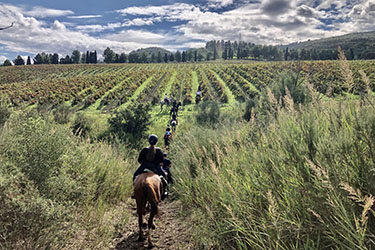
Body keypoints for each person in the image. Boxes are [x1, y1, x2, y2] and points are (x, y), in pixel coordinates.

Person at [132, 134, 168, 199]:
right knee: (164, 176)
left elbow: (139, 160)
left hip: (144, 166)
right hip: (156, 167)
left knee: (135, 175)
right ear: (156, 142)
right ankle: (164, 191)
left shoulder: (144, 150)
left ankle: (134, 192)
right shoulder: (158, 150)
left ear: (148, 141)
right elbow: (161, 161)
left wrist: (144, 163)